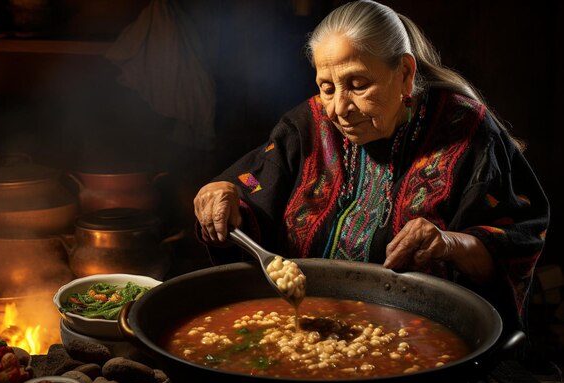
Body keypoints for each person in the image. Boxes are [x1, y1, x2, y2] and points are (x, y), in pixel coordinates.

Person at [193, 0, 549, 331]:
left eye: (358, 84)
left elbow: (517, 242)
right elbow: (251, 189)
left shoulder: (467, 131)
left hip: (419, 340)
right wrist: (223, 197)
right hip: (303, 327)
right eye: (326, 87)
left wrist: (449, 243)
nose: (338, 109)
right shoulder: (308, 124)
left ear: (406, 73)